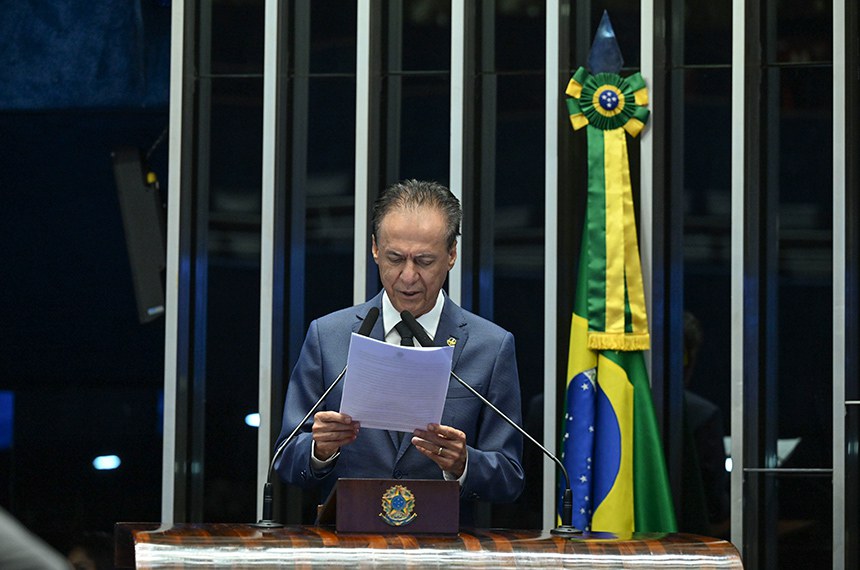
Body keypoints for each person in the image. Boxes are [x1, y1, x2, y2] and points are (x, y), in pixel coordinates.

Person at [274, 179, 525, 521]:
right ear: (375, 249)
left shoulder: (490, 347)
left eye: (424, 261)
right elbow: (286, 457)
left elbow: (510, 476)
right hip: (348, 540)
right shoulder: (329, 336)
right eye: (395, 258)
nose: (407, 277)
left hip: (445, 544)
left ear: (451, 255)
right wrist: (320, 450)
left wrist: (464, 464)